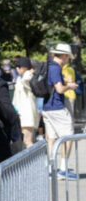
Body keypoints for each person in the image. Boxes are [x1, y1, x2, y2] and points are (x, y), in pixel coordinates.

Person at [44, 43, 79, 179]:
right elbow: (59, 89)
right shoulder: (56, 68)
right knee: (68, 136)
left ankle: (50, 168)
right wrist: (69, 86)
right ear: (64, 56)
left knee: (51, 138)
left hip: (47, 107)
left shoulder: (49, 66)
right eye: (68, 57)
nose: (68, 60)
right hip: (57, 107)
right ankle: (63, 169)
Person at [12, 56, 38, 147]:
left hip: (27, 114)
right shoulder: (21, 78)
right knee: (25, 140)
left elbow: (26, 82)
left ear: (24, 67)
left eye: (18, 67)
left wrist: (29, 72)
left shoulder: (28, 76)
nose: (17, 69)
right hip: (23, 113)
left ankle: (35, 160)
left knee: (27, 140)